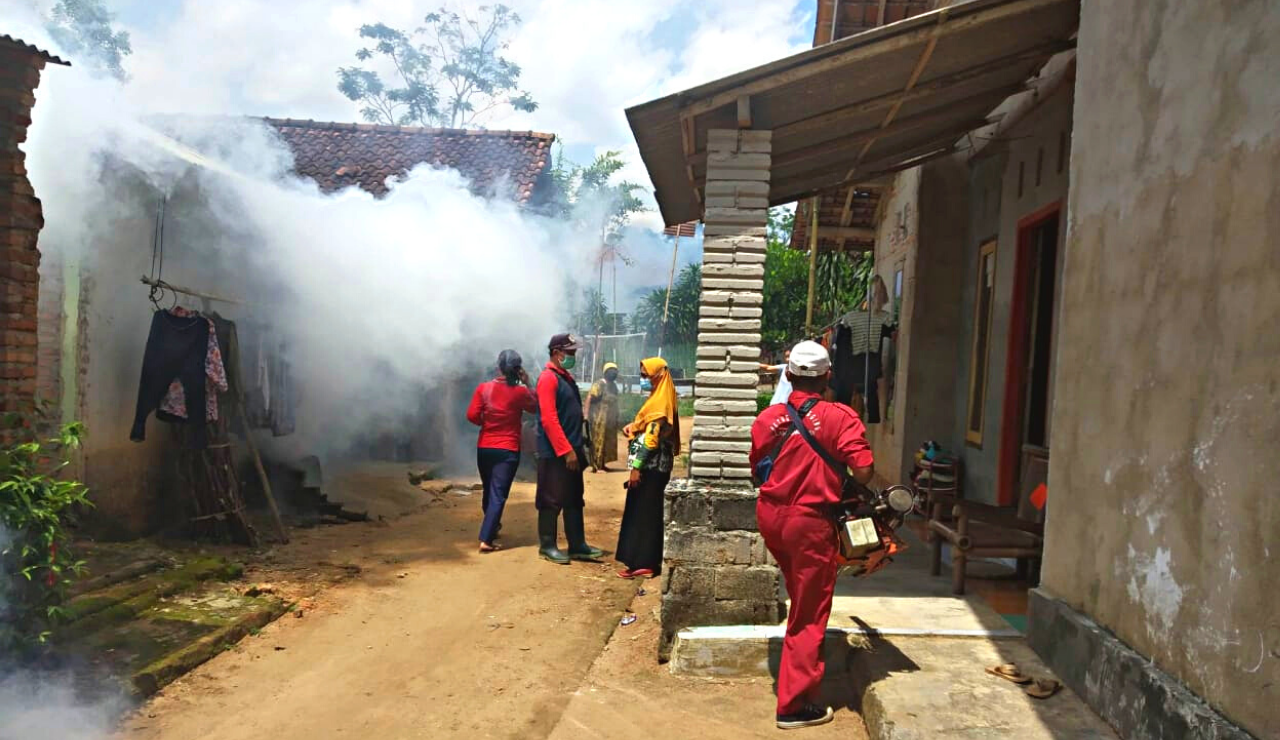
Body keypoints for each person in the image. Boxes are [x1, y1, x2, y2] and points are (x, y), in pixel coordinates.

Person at [749, 340, 874, 730]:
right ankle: (794, 705)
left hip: (771, 517)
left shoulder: (768, 418)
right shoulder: (842, 417)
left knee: (799, 592)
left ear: (788, 375)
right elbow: (865, 470)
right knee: (808, 612)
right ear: (827, 377)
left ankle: (794, 679)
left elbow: (757, 466)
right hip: (811, 522)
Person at [534, 333, 604, 565]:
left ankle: (577, 544)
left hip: (572, 448)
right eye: (570, 352)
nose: (574, 356)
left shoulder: (564, 376)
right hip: (555, 452)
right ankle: (547, 545)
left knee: (574, 498)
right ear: (557, 352)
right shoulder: (548, 378)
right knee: (550, 499)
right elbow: (549, 419)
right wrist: (566, 450)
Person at [615, 357, 681, 580]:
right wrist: (634, 427)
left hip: (650, 467)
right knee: (649, 510)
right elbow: (649, 427)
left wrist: (636, 468)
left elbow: (651, 439)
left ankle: (643, 562)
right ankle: (646, 561)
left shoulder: (659, 403)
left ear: (659, 375)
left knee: (643, 512)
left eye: (646, 376)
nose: (643, 380)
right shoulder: (661, 397)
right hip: (658, 466)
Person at [466, 350, 536, 553]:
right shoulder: (520, 392)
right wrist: (529, 383)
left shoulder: (483, 389)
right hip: (507, 449)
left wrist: (485, 422)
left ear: (498, 366)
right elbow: (536, 407)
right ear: (518, 369)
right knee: (498, 494)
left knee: (489, 490)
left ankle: (493, 526)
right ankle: (486, 540)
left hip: (485, 447)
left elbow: (472, 415)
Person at [584, 362, 621, 473]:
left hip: (609, 419)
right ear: (605, 372)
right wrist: (586, 415)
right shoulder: (599, 384)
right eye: (611, 371)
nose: (613, 373)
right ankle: (596, 466)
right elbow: (589, 398)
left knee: (606, 442)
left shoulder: (613, 386)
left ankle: (602, 464)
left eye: (615, 371)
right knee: (597, 441)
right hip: (598, 418)